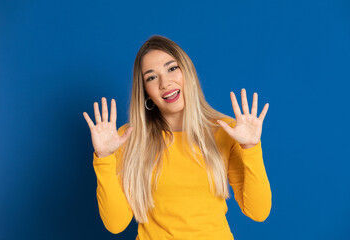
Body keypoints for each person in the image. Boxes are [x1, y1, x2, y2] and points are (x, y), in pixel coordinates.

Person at [83, 35, 271, 240]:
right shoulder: (128, 138)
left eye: (172, 68)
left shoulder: (226, 131)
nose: (165, 82)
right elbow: (115, 224)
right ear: (146, 92)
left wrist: (251, 147)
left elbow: (258, 212)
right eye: (151, 77)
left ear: (187, 72)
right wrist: (103, 157)